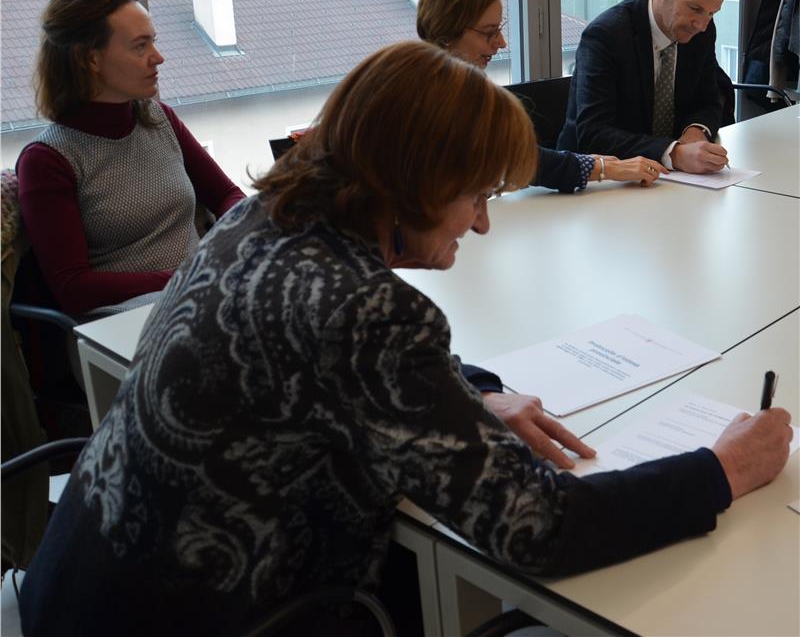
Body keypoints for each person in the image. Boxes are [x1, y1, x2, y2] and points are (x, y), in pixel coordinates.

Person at [19, 41, 792, 637]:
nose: (482, 223)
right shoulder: (369, 311)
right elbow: (538, 526)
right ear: (415, 181)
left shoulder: (259, 218)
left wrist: (471, 392)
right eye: (475, 195)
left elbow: (327, 361)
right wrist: (721, 468)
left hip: (83, 591)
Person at [15, 0, 245, 317]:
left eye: (154, 41)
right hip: (124, 319)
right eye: (140, 46)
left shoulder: (159, 118)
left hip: (201, 291)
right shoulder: (48, 160)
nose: (158, 57)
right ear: (90, 59)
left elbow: (227, 195)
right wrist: (186, 275)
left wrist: (241, 236)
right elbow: (74, 288)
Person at [416, 0, 667, 192]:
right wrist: (602, 168)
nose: (501, 43)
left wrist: (599, 165)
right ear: (447, 31)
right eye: (489, 33)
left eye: (499, 30)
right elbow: (516, 160)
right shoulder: (429, 98)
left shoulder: (459, 86)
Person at [558, 0, 732, 174]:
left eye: (711, 13)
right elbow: (593, 134)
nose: (702, 24)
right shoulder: (606, 35)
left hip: (667, 179)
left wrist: (695, 131)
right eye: (694, 8)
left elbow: (709, 98)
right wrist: (673, 153)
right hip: (598, 179)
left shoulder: (700, 30)